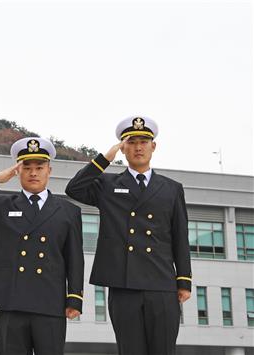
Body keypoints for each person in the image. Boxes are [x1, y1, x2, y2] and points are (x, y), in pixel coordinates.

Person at [65, 116, 192, 355]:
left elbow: (179, 235)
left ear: (153, 146)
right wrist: (106, 158)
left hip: (161, 282)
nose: (138, 147)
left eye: (144, 141)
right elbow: (74, 189)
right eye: (131, 142)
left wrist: (183, 280)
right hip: (124, 284)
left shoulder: (171, 188)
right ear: (124, 147)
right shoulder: (108, 183)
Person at [0, 137, 84, 355]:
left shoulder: (68, 211)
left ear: (49, 170)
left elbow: (74, 257)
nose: (33, 173)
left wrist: (74, 297)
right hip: (13, 301)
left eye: (39, 167)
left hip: (50, 302)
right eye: (26, 167)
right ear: (18, 171)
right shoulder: (2, 205)